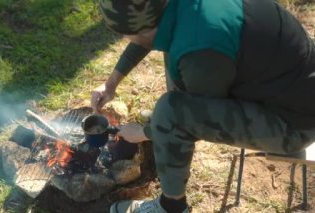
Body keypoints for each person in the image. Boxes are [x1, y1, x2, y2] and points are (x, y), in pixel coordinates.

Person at [90, 0, 315, 212]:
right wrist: (111, 84)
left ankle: (170, 207)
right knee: (173, 70)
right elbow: (150, 33)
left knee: (170, 114)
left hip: (294, 123)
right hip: (288, 83)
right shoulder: (177, 10)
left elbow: (196, 114)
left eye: (126, 35)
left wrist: (144, 132)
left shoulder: (200, 49)